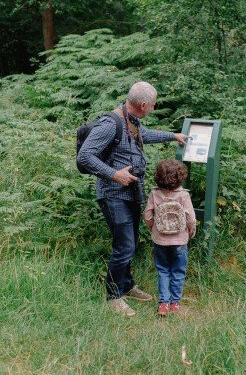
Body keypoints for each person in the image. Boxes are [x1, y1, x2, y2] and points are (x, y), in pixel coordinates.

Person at [77, 82, 189, 316]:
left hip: (131, 193)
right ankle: (113, 295)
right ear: (144, 105)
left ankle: (126, 286)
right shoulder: (111, 123)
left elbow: (143, 135)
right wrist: (114, 174)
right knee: (124, 246)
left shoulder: (131, 120)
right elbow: (85, 156)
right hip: (113, 194)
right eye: (154, 103)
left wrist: (172, 135)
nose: (155, 106)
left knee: (130, 242)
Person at [143, 159, 196, 316]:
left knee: (163, 270)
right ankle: (175, 304)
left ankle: (163, 304)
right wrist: (190, 231)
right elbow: (191, 218)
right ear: (181, 177)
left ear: (158, 177)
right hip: (180, 240)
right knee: (178, 271)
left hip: (160, 240)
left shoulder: (155, 193)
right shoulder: (183, 195)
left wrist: (153, 228)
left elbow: (147, 215)